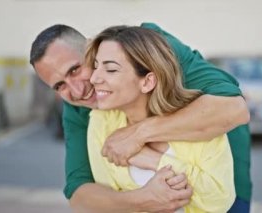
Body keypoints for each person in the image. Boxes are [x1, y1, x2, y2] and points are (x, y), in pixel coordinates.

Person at [30, 23, 252, 213]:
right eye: (60, 86)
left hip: (228, 183)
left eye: (75, 70)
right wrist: (144, 199)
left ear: (91, 49)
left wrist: (138, 134)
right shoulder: (81, 111)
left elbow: (234, 110)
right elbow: (79, 192)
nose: (78, 91)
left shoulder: (152, 48)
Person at [86, 25, 235, 212]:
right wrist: (145, 198)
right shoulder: (101, 122)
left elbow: (219, 200)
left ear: (147, 81)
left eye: (111, 70)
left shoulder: (201, 122)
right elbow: (107, 204)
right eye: (96, 66)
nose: (93, 78)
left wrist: (153, 159)